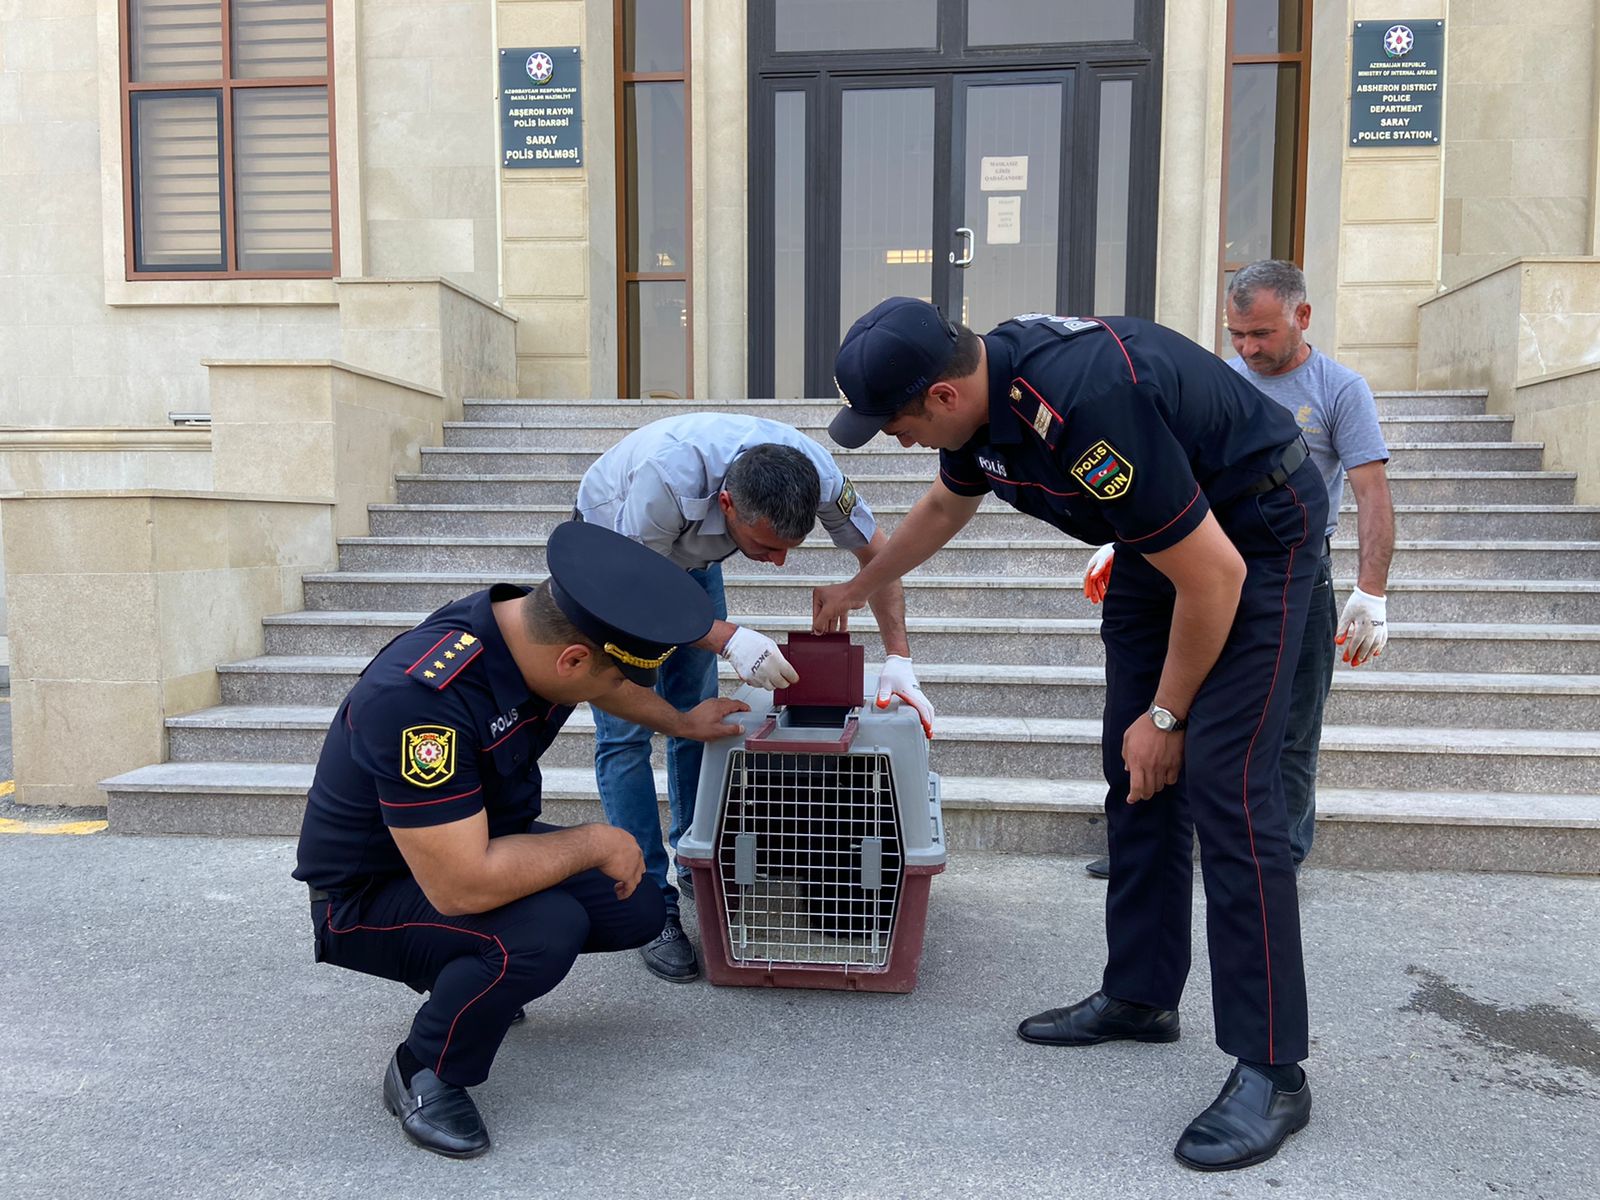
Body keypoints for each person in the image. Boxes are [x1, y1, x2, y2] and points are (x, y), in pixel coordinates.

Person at [813, 297, 1326, 1172]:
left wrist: (1166, 717)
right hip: (1158, 544)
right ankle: (1139, 995)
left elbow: (1215, 577)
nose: (894, 440)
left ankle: (1274, 1069)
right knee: (1132, 779)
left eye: (894, 422)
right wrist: (863, 587)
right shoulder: (979, 407)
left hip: (1252, 539)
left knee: (1227, 790)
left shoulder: (1089, 407)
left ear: (940, 395)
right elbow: (945, 505)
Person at [293, 521, 748, 1159]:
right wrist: (591, 841)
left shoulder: (534, 629)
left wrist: (681, 722)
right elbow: (460, 885)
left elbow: (612, 681)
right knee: (544, 931)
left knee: (638, 906)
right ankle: (423, 1068)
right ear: (573, 661)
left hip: (472, 841)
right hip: (375, 893)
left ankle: (470, 979)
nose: (611, 692)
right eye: (604, 679)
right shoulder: (421, 699)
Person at [575, 413, 933, 983]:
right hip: (614, 561)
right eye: (766, 546)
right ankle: (648, 903)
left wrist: (899, 658)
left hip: (692, 564)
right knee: (626, 731)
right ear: (727, 505)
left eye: (790, 548)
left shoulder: (818, 473)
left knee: (698, 719)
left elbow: (880, 555)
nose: (778, 563)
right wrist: (727, 636)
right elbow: (632, 592)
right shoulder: (662, 480)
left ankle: (696, 858)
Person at [1081, 260, 1394, 876]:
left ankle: (1279, 858)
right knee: (1169, 701)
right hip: (1202, 562)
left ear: (1302, 317)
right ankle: (1151, 846)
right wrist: (1125, 542)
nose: (1248, 348)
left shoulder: (1339, 389)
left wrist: (1372, 591)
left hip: (1295, 566)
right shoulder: (1218, 379)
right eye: (1237, 335)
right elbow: (1166, 475)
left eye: (1263, 334)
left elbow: (1372, 492)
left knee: (1293, 723)